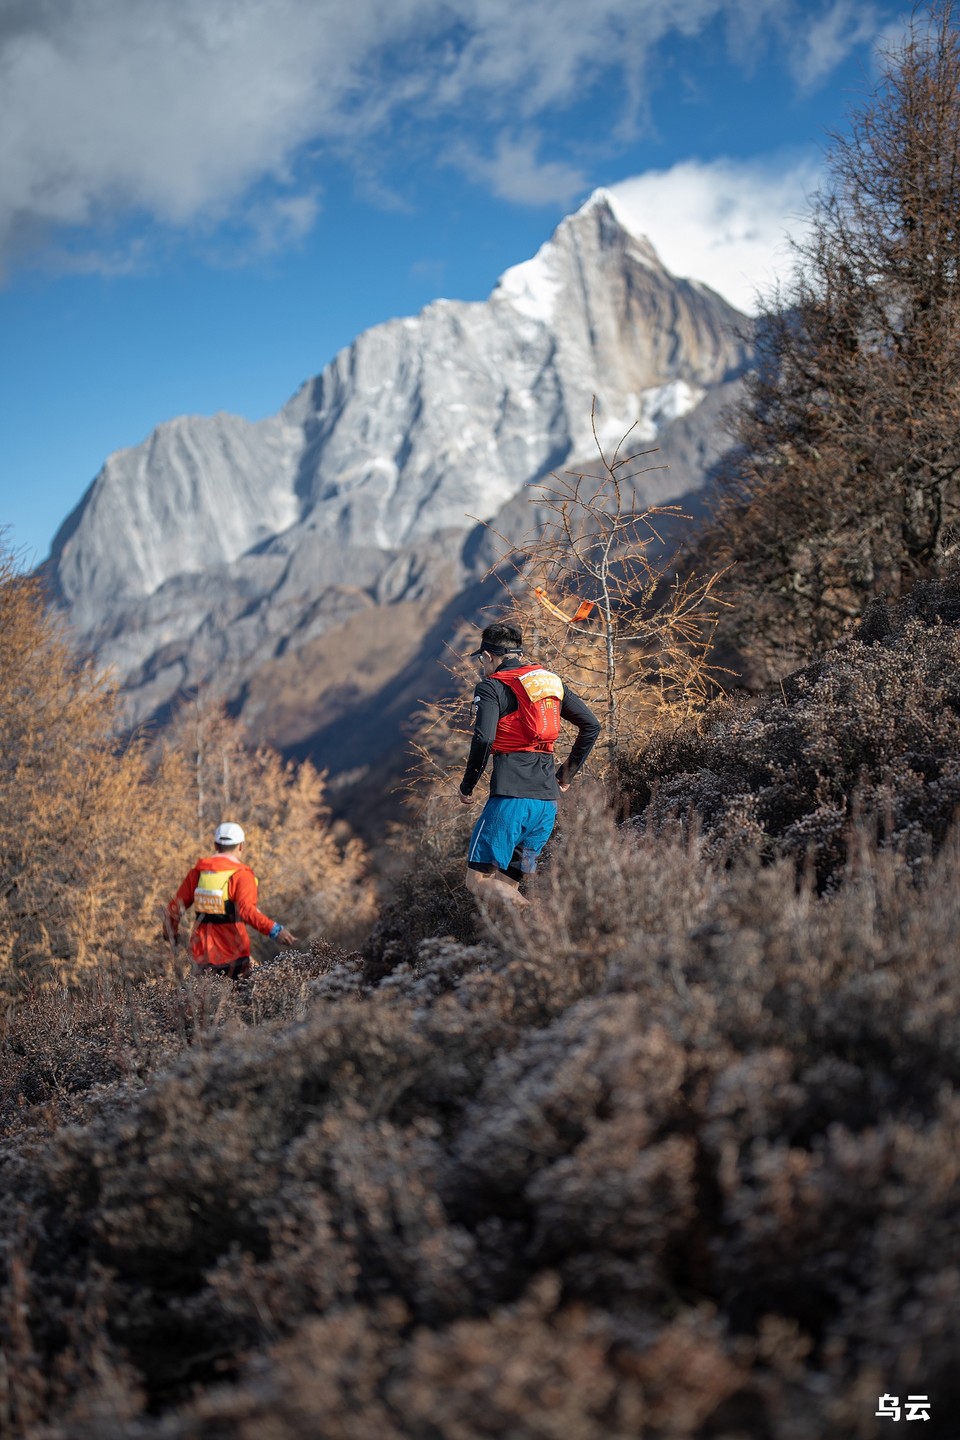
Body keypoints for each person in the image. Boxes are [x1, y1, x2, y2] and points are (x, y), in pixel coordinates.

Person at [458, 622, 600, 904]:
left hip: (511, 801)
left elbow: (484, 739)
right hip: (546, 805)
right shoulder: (549, 681)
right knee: (508, 884)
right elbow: (591, 725)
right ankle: (524, 938)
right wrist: (566, 776)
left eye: (482, 660)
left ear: (488, 656)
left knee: (476, 881)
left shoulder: (491, 687)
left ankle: (531, 913)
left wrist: (467, 785)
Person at [165, 821, 299, 979]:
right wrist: (275, 930)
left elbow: (174, 908)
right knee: (239, 1000)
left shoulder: (199, 872)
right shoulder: (242, 875)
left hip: (201, 954)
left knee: (203, 1001)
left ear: (216, 845)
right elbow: (247, 911)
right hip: (234, 953)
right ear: (241, 846)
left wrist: (171, 934)